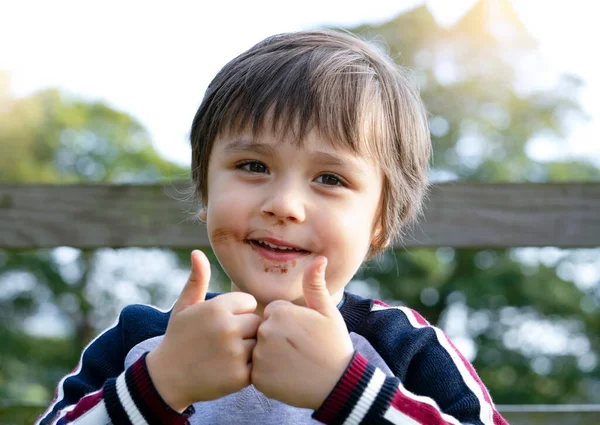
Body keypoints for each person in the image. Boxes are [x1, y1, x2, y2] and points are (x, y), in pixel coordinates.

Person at [37, 30, 508, 425]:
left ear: (380, 223)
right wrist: (161, 385)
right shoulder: (140, 343)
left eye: (330, 178)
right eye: (253, 165)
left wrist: (349, 391)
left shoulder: (405, 348)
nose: (284, 205)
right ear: (205, 190)